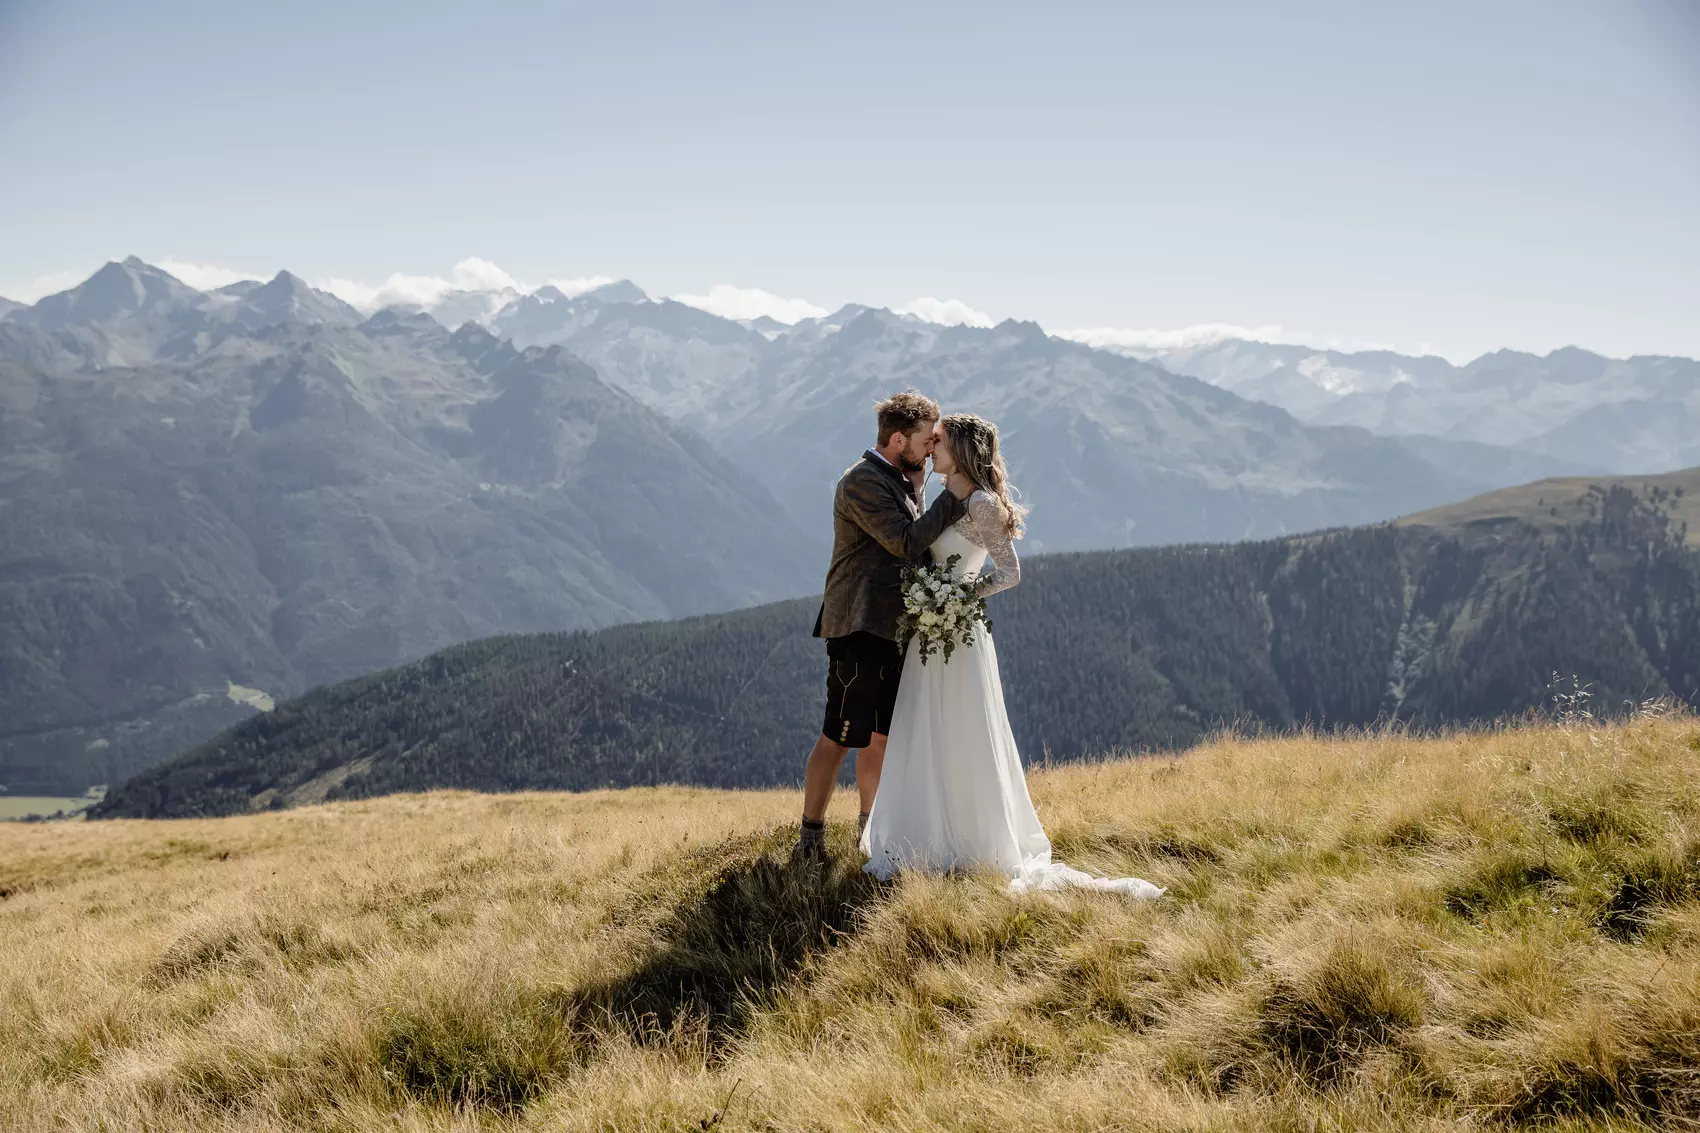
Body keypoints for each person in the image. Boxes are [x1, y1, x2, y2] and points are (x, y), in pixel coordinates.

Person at [860, 412, 1164, 898]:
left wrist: (958, 597)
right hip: (931, 633)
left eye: (937, 441)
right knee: (926, 727)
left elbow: (1009, 571)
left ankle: (972, 837)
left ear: (957, 450)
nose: (929, 447)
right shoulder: (945, 497)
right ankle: (923, 835)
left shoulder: (980, 502)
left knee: (961, 728)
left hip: (957, 632)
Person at [793, 391, 973, 863]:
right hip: (858, 625)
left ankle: (869, 832)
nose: (933, 446)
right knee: (840, 733)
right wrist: (953, 498)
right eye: (926, 438)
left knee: (882, 735)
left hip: (892, 627)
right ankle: (810, 838)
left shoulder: (901, 475)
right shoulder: (861, 483)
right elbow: (906, 542)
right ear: (898, 439)